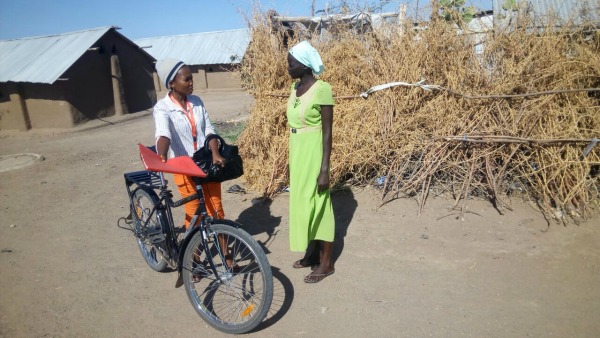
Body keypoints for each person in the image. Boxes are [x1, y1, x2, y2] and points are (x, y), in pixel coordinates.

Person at [153, 59, 234, 272]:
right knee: (194, 214)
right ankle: (194, 260)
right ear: (172, 83)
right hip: (183, 166)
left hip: (207, 164)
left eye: (191, 78)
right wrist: (161, 154)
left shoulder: (197, 101)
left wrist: (215, 153)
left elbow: (209, 130)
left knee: (217, 210)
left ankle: (226, 255)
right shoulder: (163, 108)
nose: (191, 82)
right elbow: (163, 134)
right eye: (186, 79)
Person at [286, 41, 336, 283]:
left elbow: (327, 132)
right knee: (302, 204)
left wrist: (324, 169)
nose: (288, 67)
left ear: (305, 65)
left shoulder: (322, 89)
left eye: (291, 63)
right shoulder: (294, 89)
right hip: (297, 153)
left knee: (320, 204)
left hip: (314, 153)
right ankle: (311, 253)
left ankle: (326, 263)